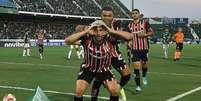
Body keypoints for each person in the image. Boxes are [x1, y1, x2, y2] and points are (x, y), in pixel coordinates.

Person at [65, 20, 132, 101]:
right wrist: (86, 31)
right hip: (88, 69)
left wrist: (110, 30)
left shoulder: (110, 39)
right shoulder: (87, 39)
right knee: (79, 91)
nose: (98, 33)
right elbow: (67, 41)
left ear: (105, 31)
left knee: (114, 91)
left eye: (101, 30)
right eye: (95, 30)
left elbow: (129, 37)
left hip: (105, 70)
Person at [91, 7, 131, 101]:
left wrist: (111, 32)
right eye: (104, 15)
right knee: (98, 80)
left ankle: (119, 88)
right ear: (101, 16)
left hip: (114, 53)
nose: (107, 18)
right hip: (100, 55)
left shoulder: (116, 23)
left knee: (127, 74)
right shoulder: (96, 24)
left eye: (109, 16)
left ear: (113, 16)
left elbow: (117, 37)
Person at [126, 9, 154, 92]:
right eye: (133, 14)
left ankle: (144, 75)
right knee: (136, 67)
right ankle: (138, 86)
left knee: (145, 65)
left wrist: (145, 34)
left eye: (136, 13)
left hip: (144, 48)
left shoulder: (145, 23)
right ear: (131, 15)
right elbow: (127, 36)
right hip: (134, 49)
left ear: (139, 14)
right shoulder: (129, 25)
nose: (134, 15)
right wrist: (128, 41)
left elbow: (152, 32)